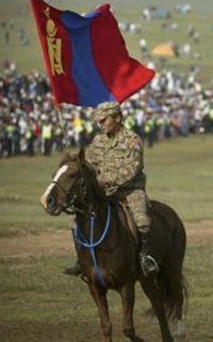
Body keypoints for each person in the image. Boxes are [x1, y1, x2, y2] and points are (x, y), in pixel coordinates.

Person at [64, 101, 159, 277]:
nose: (100, 124)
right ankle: (81, 260)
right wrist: (76, 162)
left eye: (104, 120)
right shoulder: (98, 140)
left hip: (130, 190)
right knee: (76, 222)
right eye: (99, 121)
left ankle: (145, 258)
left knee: (142, 219)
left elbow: (133, 168)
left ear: (117, 118)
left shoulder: (132, 140)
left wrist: (104, 181)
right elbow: (89, 164)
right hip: (104, 192)